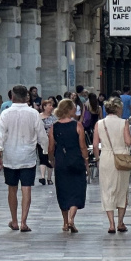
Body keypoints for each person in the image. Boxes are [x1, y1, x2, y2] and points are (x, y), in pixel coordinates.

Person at [0, 85, 46, 233]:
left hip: (10, 156)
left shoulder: (5, 114)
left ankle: (15, 220)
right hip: (28, 156)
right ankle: (24, 221)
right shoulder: (33, 113)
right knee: (26, 188)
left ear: (12, 97)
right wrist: (46, 150)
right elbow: (41, 134)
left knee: (12, 189)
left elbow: (1, 135)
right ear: (27, 97)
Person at [48, 98, 88, 233]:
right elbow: (82, 146)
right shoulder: (77, 126)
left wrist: (51, 159)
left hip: (61, 160)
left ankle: (65, 222)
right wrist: (86, 161)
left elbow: (51, 147)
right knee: (77, 189)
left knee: (63, 190)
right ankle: (71, 218)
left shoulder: (54, 126)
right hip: (75, 159)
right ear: (69, 109)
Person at [94, 97, 131, 233]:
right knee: (122, 190)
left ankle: (111, 224)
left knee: (107, 189)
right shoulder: (124, 123)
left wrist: (98, 159)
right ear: (117, 109)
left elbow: (95, 144)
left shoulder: (99, 124)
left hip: (106, 157)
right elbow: (128, 141)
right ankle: (120, 222)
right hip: (121, 157)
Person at [38, 99, 57, 185]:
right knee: (42, 157)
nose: (51, 107)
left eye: (51, 105)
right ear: (44, 107)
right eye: (49, 105)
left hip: (51, 140)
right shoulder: (38, 117)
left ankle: (49, 178)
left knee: (50, 158)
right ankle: (42, 177)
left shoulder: (54, 117)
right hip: (41, 140)